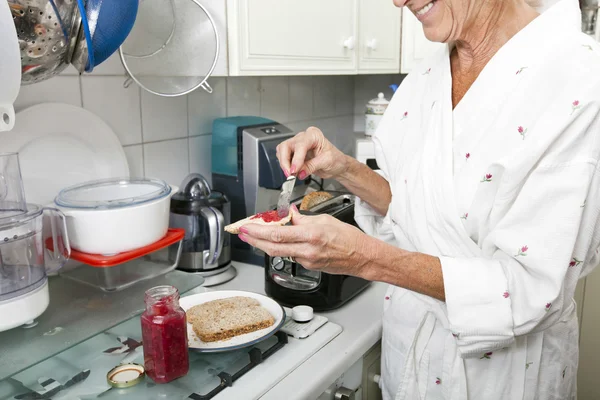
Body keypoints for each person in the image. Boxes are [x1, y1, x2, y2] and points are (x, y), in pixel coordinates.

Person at [237, 0, 600, 398]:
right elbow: (413, 205)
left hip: (502, 378)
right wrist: (343, 168)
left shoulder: (577, 84)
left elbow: (531, 289)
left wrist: (365, 258)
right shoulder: (428, 75)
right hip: (409, 352)